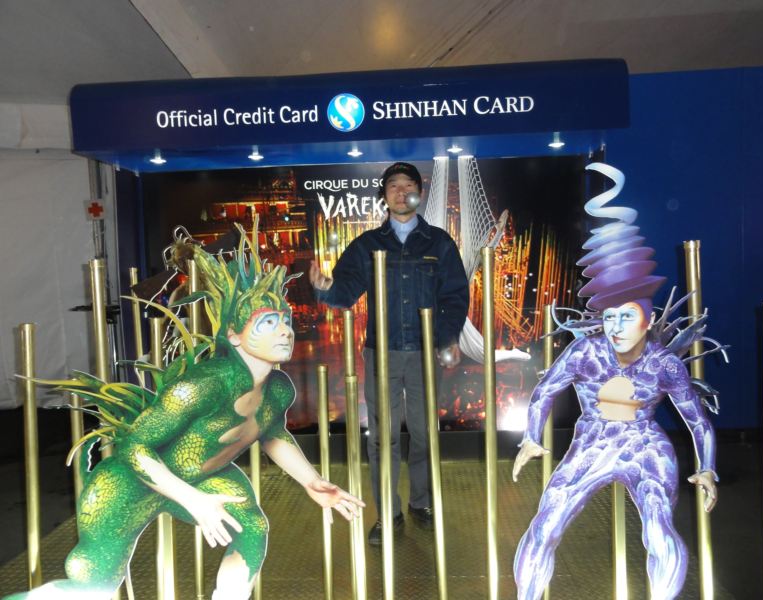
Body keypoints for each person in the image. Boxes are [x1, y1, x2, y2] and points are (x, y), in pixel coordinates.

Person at [4, 226, 364, 600]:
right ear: (234, 335)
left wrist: (311, 481)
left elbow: (273, 434)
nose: (285, 331)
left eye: (285, 321)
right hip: (129, 484)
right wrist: (192, 500)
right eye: (268, 323)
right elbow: (134, 448)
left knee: (252, 529)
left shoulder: (277, 389)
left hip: (206, 478)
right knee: (92, 588)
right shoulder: (205, 385)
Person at [512, 163, 720, 600]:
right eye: (609, 316)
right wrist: (531, 436)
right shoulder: (586, 352)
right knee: (545, 523)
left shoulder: (664, 364)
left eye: (627, 315)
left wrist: (706, 467)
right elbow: (547, 389)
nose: (617, 326)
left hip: (645, 445)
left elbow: (696, 420)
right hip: (591, 442)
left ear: (647, 318)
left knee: (658, 526)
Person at [309, 162, 469, 545]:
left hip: (424, 353)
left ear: (419, 194)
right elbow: (345, 291)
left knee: (424, 434)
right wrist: (325, 288)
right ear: (383, 196)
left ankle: (422, 503)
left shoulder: (439, 243)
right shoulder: (367, 245)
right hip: (381, 352)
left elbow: (455, 297)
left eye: (408, 185)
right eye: (393, 186)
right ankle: (388, 513)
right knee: (383, 438)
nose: (400, 192)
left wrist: (444, 339)